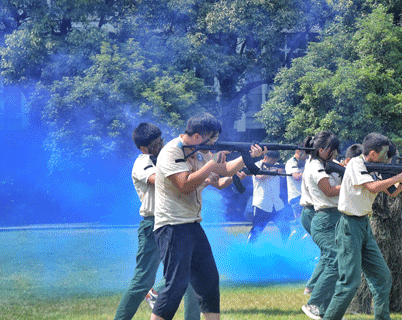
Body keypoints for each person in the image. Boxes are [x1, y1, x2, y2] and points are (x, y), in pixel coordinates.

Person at [151, 112, 264, 320]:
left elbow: (226, 170)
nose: (214, 143)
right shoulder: (171, 152)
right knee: (176, 285)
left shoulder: (201, 152)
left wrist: (247, 156)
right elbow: (184, 185)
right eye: (211, 138)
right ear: (196, 137)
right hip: (172, 225)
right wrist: (211, 166)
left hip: (192, 224)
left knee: (209, 280)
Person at [322, 133, 402, 320]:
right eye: (384, 153)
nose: (387, 157)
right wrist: (397, 176)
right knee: (349, 283)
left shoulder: (371, 167)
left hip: (364, 225)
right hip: (349, 225)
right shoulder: (356, 164)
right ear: (373, 154)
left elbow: (392, 191)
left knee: (382, 277)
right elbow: (373, 187)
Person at [114, 123, 200, 320]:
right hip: (153, 224)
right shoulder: (142, 163)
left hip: (176, 221)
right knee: (142, 281)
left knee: (191, 277)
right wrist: (179, 165)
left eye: (161, 141)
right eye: (155, 144)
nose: (161, 146)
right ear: (144, 149)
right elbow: (159, 179)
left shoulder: (170, 155)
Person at [301, 131, 342, 320]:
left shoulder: (321, 164)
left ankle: (327, 310)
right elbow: (328, 190)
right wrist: (351, 180)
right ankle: (313, 303)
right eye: (332, 150)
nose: (334, 154)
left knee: (336, 260)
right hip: (324, 218)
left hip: (331, 217)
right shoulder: (315, 167)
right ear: (322, 150)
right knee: (334, 259)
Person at [247, 150, 292, 243]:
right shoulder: (256, 165)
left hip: (276, 203)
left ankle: (286, 249)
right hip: (262, 204)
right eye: (272, 160)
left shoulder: (277, 165)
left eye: (275, 160)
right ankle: (248, 250)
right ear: (265, 157)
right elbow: (259, 176)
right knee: (256, 231)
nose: (274, 162)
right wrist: (274, 171)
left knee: (286, 229)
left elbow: (285, 173)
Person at [286, 144, 307, 236]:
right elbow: (296, 176)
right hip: (297, 197)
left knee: (305, 227)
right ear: (299, 152)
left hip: (304, 197)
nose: (307, 155)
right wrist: (310, 172)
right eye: (306, 153)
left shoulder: (305, 161)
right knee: (300, 226)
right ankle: (291, 248)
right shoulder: (291, 162)